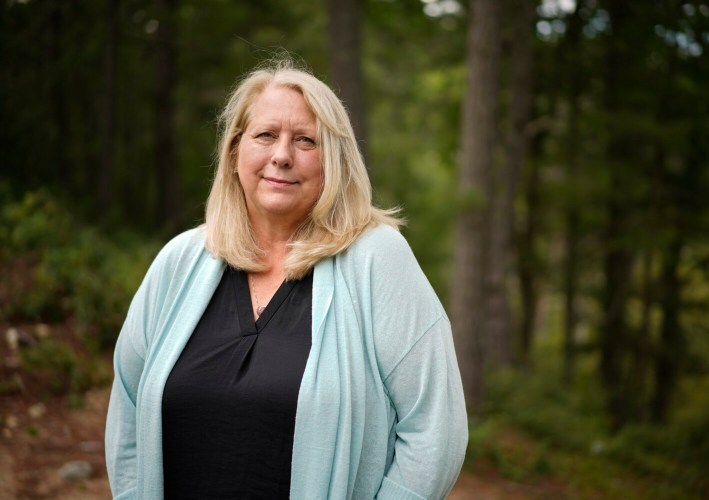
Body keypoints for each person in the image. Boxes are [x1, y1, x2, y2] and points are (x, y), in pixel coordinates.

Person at [105, 59, 468, 500]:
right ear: (236, 149)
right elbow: (127, 408)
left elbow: (435, 429)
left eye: (305, 141)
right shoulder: (179, 261)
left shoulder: (377, 259)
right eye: (265, 135)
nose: (281, 155)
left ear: (334, 160)